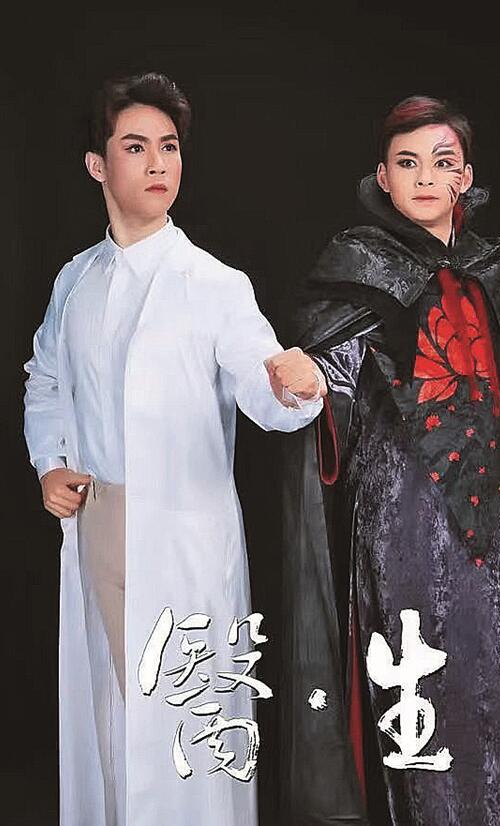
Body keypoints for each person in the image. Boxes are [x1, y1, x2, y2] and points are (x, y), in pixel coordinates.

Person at [23, 71, 325, 826]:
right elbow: (46, 377)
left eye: (169, 147)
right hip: (98, 520)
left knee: (184, 722)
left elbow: (263, 388)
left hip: (182, 532)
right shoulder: (76, 279)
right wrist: (50, 463)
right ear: (97, 165)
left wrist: (294, 386)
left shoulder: (213, 283)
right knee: (111, 711)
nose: (158, 164)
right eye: (136, 147)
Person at [279, 95, 500, 825]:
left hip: (491, 512)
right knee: (414, 682)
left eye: (441, 161)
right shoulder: (359, 266)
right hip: (402, 507)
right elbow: (331, 371)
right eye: (407, 163)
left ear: (466, 177)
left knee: (491, 676)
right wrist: (308, 379)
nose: (425, 177)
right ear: (383, 177)